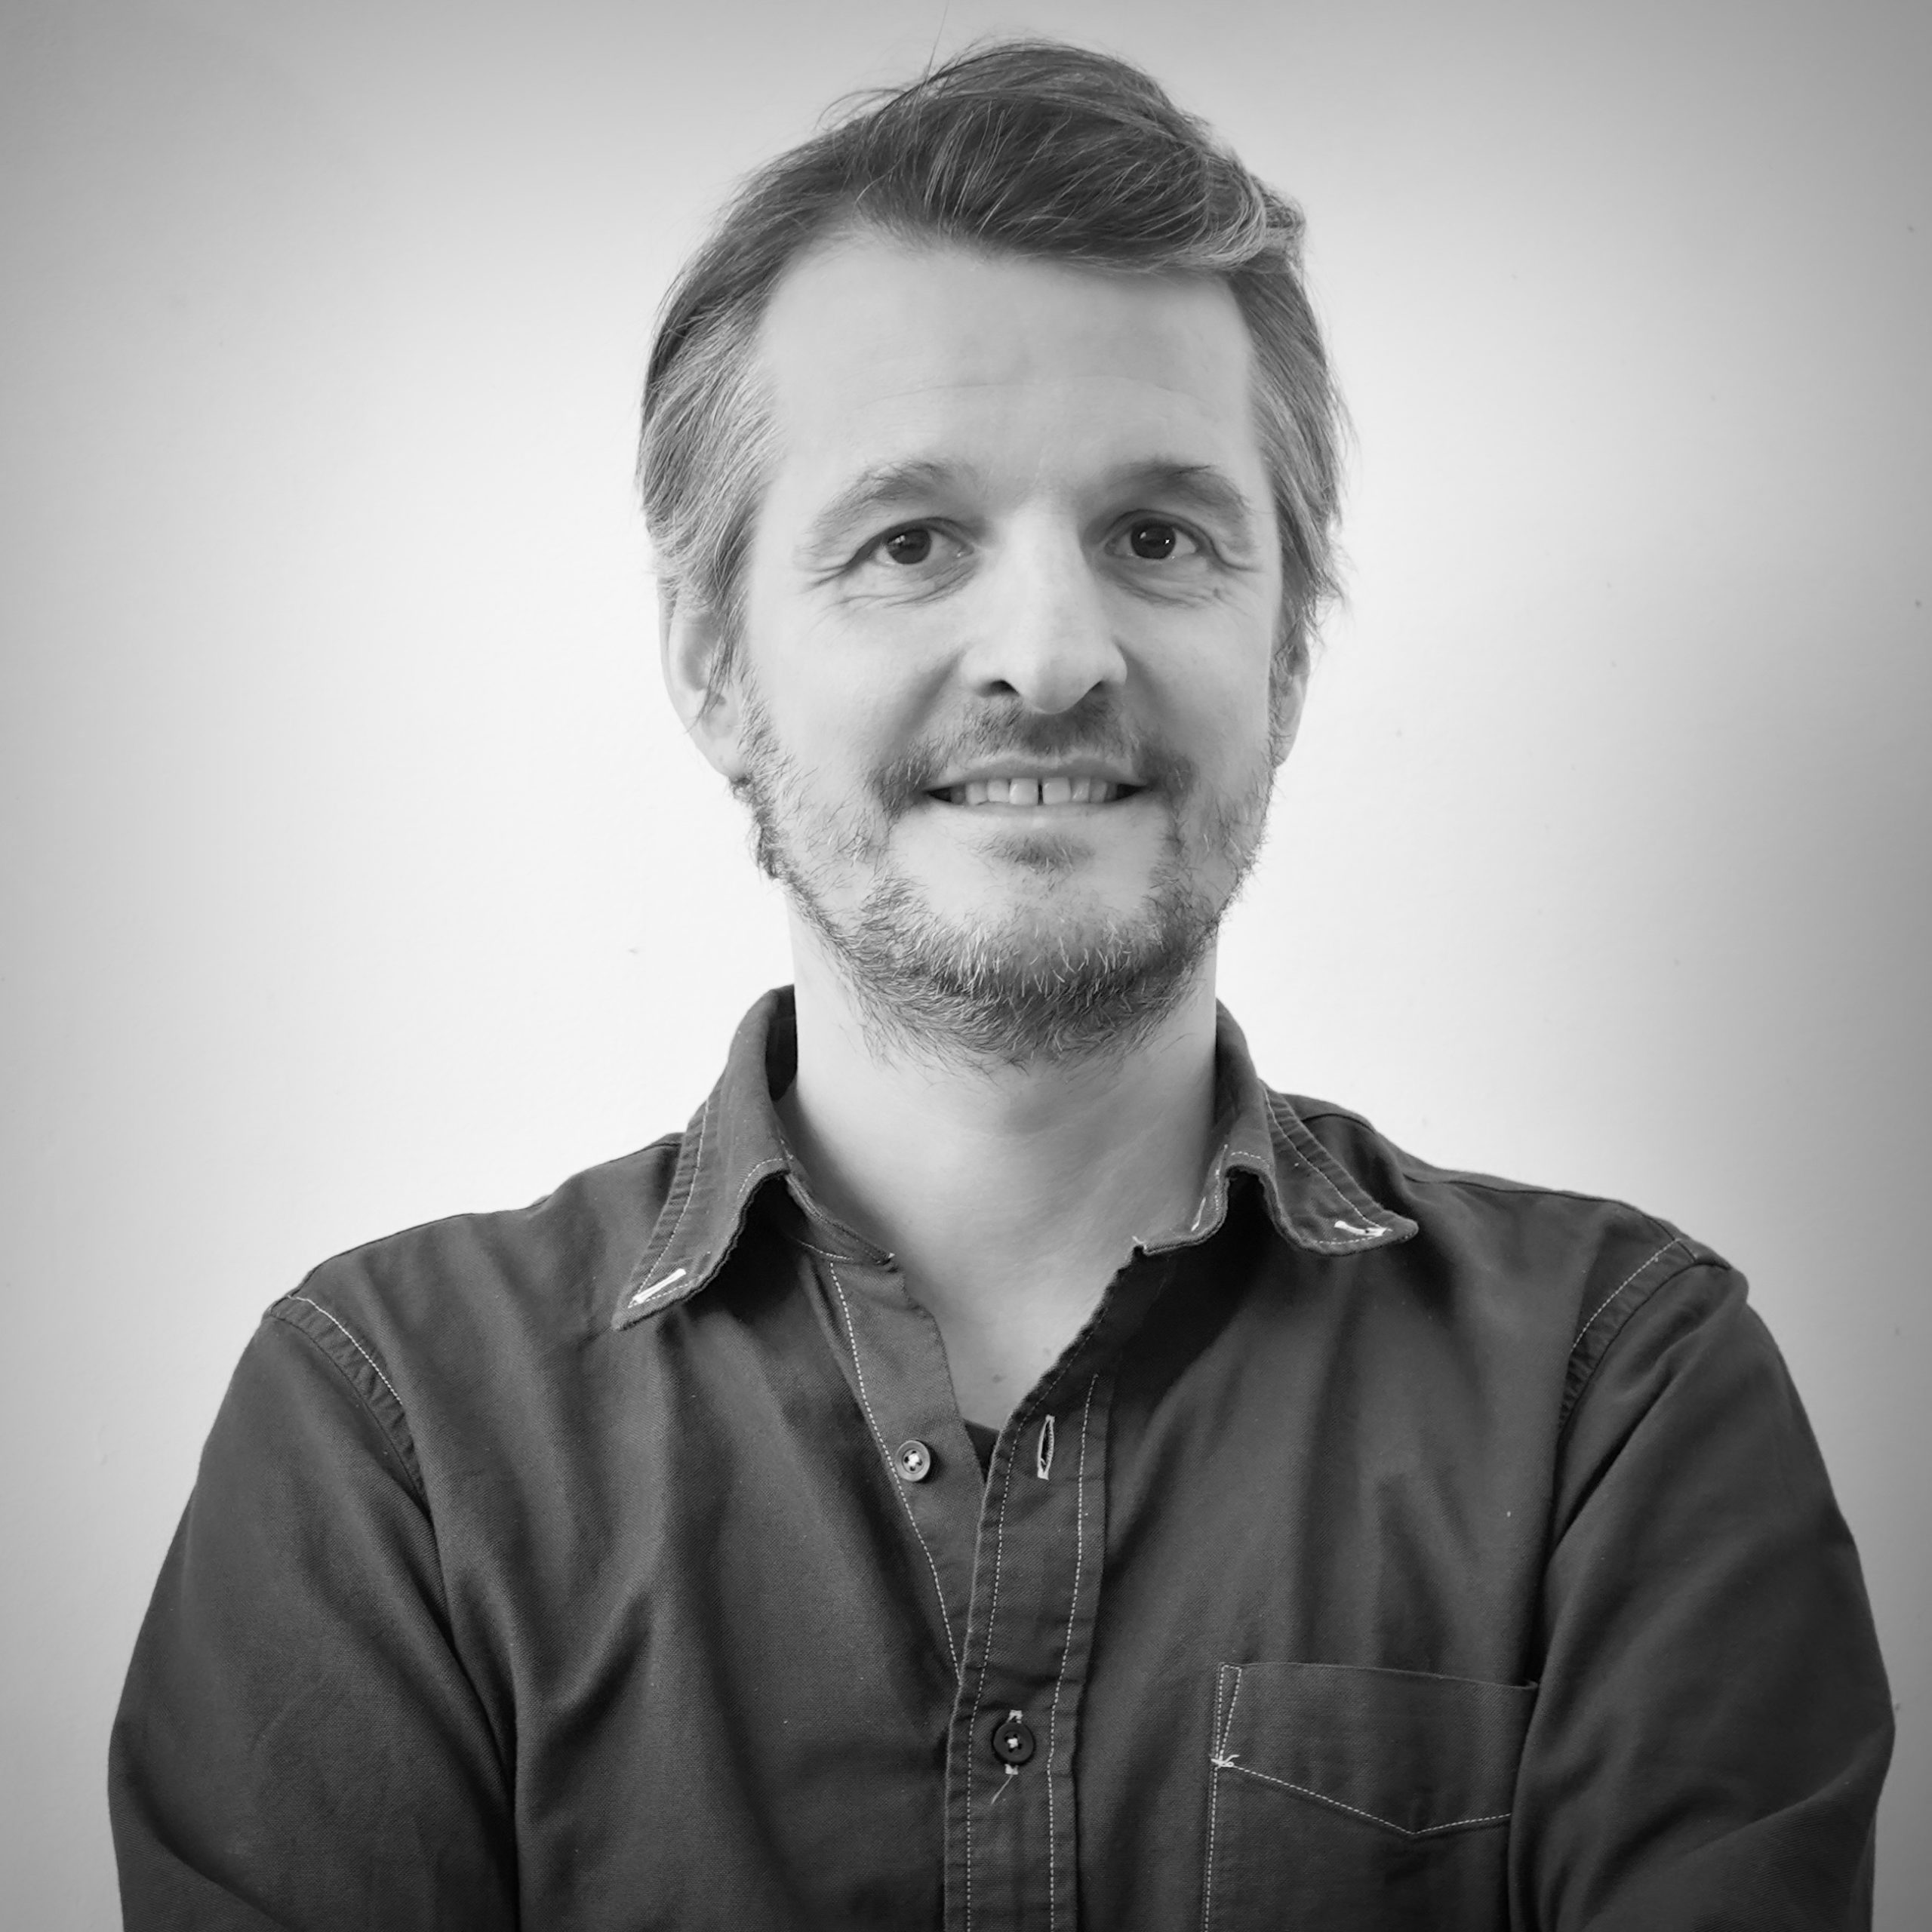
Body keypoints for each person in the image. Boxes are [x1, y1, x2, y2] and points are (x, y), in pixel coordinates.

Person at [109, 38, 1891, 1930]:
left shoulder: (1615, 1396)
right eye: (910, 541)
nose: (1048, 656)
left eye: (1155, 537)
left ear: (1284, 656)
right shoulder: (390, 1435)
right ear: (712, 662)